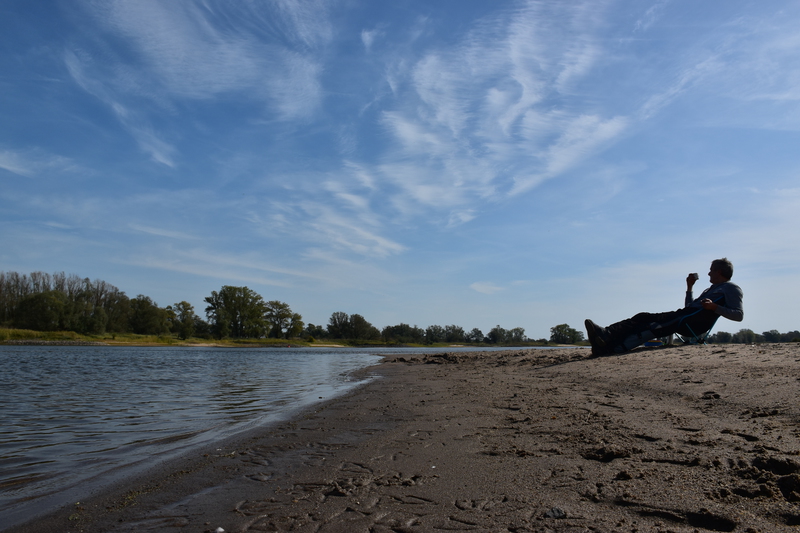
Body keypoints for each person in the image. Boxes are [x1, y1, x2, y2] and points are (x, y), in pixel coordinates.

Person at [585, 258, 743, 356]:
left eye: (711, 271)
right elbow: (689, 307)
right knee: (642, 317)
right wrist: (689, 288)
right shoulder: (710, 289)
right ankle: (605, 335)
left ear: (719, 272)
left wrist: (714, 307)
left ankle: (611, 347)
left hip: (691, 323)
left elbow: (738, 315)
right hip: (685, 316)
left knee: (653, 326)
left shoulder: (731, 288)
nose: (708, 274)